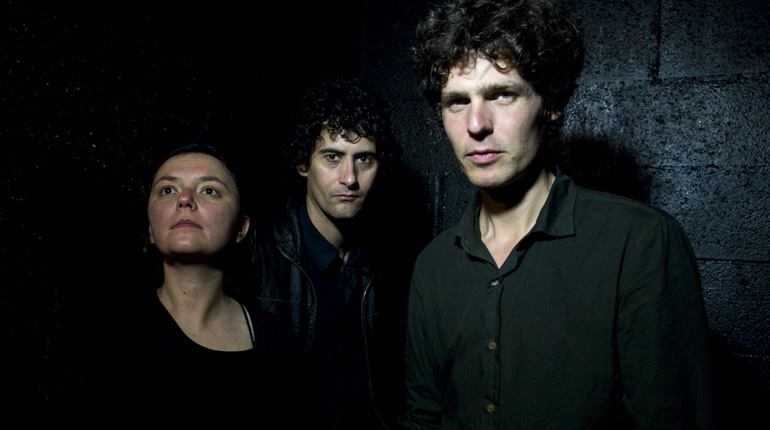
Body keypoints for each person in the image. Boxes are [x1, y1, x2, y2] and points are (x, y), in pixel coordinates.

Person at [401, 0, 715, 429]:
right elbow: (423, 417)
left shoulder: (640, 243)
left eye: (502, 94)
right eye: (457, 101)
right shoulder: (434, 265)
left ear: (550, 103)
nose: (476, 124)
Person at [93, 142, 295, 425]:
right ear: (150, 229)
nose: (185, 199)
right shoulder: (107, 328)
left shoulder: (276, 341)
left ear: (240, 228)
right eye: (168, 190)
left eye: (209, 190)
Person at [245, 79, 404, 430]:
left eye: (364, 159)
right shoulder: (259, 254)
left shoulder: (387, 261)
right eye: (332, 157)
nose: (350, 178)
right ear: (303, 164)